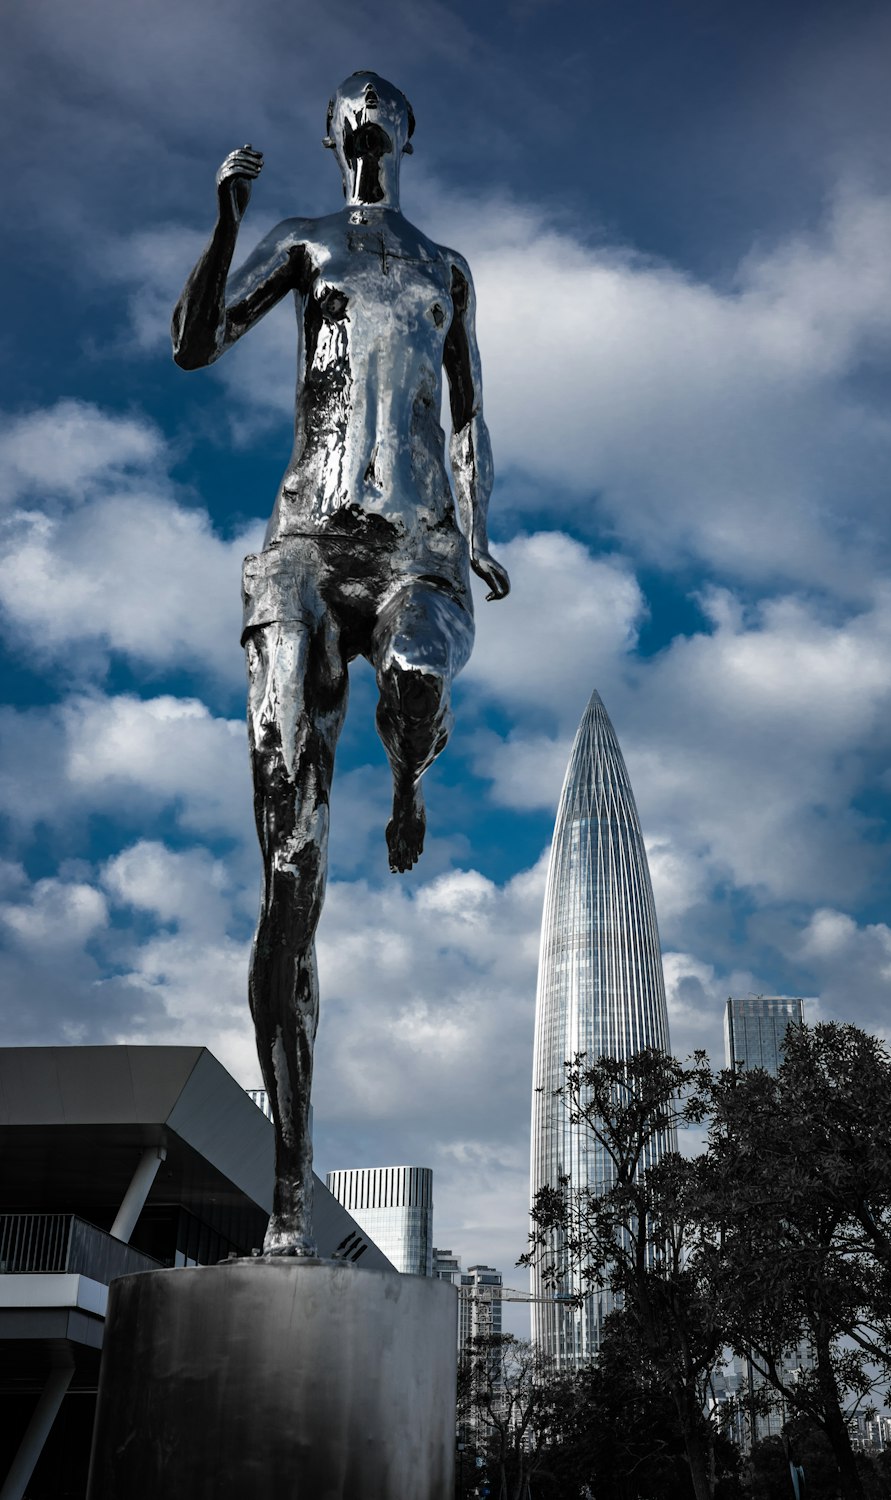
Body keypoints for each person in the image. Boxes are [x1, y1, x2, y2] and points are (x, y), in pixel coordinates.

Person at [172, 71, 509, 1255]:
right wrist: (222, 225)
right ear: (334, 135)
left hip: (416, 548)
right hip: (308, 547)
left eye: (384, 101)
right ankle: (285, 1195)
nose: (365, 108)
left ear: (409, 129)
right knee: (288, 884)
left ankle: (410, 774)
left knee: (416, 674)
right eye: (347, 103)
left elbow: (467, 411)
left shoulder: (444, 268)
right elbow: (196, 346)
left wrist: (479, 531)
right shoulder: (303, 243)